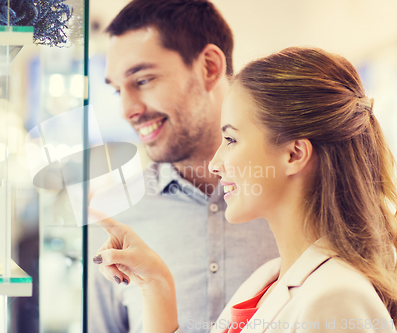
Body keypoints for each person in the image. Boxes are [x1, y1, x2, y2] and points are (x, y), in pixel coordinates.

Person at [90, 46, 397, 333]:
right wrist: (156, 285)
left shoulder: (336, 298)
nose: (215, 163)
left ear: (294, 154)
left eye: (232, 140)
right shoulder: (265, 280)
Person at [88, 1, 279, 332]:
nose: (127, 109)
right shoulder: (114, 217)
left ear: (208, 67)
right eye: (119, 90)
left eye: (143, 80)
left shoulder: (296, 195)